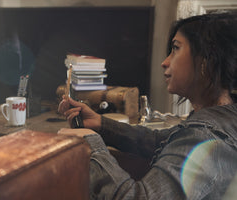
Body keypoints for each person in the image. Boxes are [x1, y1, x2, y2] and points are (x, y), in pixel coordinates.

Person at [58, 12, 237, 200]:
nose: (165, 62)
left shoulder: (205, 134)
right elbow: (162, 140)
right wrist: (101, 125)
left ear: (206, 62)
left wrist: (92, 147)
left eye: (175, 49)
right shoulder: (223, 118)